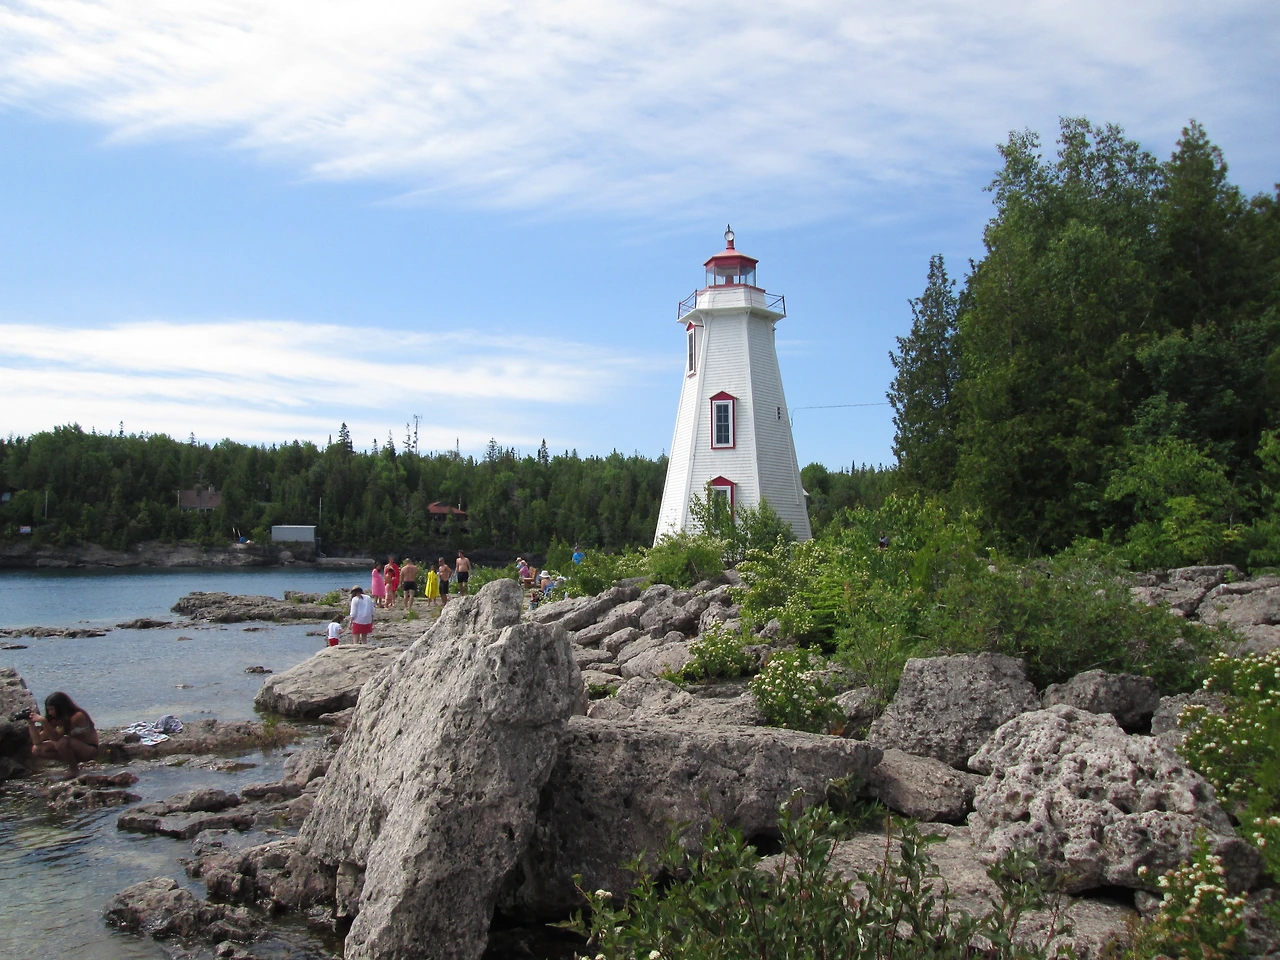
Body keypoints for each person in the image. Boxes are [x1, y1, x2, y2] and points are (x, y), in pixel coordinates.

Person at [28, 691, 98, 778]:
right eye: (48, 709)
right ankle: (71, 764)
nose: (50, 713)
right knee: (37, 749)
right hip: (74, 749)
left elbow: (56, 737)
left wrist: (43, 721)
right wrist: (31, 724)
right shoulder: (56, 719)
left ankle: (73, 770)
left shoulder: (77, 716)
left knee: (61, 742)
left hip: (88, 749)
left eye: (52, 709)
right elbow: (37, 741)